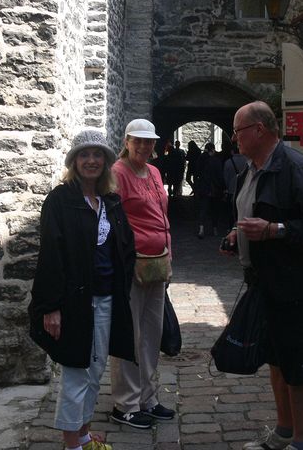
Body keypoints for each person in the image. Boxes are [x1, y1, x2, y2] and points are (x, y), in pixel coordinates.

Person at [220, 101, 303, 450]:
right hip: (265, 281)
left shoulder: (294, 167)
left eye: (238, 131)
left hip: (296, 285)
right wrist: (237, 235)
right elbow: (252, 212)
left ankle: (301, 442)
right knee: (276, 359)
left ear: (259, 130)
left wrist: (274, 230)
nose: (234, 137)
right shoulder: (249, 169)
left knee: (297, 364)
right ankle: (284, 432)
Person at [28, 129, 136, 450]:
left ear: (106, 162)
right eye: (84, 155)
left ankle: (85, 436)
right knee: (76, 373)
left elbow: (124, 249)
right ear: (74, 161)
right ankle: (72, 445)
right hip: (74, 302)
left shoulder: (110, 202)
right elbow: (50, 255)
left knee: (96, 370)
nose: (91, 161)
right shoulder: (60, 201)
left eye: (97, 155)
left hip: (105, 300)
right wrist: (51, 307)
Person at [110, 118, 177, 428]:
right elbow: (114, 221)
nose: (144, 146)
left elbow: (162, 216)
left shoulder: (154, 171)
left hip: (158, 262)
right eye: (138, 140)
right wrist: (127, 257)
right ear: (127, 141)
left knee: (151, 333)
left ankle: (148, 398)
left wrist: (169, 256)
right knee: (130, 334)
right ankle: (125, 403)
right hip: (133, 264)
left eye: (149, 141)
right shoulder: (118, 173)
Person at [193, 142, 225, 238]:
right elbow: (220, 176)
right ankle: (215, 229)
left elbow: (196, 174)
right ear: (213, 150)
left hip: (204, 187)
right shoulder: (216, 161)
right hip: (214, 189)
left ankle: (201, 229)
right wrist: (223, 187)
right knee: (214, 209)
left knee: (203, 209)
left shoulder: (201, 160)